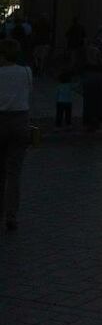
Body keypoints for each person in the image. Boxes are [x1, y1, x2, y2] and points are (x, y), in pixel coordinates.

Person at [0, 38, 33, 231]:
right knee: (14, 173)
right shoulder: (26, 72)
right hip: (20, 121)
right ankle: (11, 215)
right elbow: (30, 93)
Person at [81, 45, 102, 131]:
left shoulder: (88, 64)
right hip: (97, 84)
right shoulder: (99, 63)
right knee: (96, 104)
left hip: (93, 84)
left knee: (92, 104)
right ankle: (95, 121)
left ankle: (92, 121)